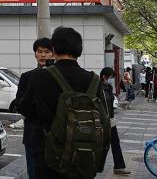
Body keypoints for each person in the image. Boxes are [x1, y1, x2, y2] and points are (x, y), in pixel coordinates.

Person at [20, 27, 109, 178]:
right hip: (83, 155)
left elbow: (25, 109)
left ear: (53, 49)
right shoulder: (93, 79)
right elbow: (104, 116)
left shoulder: (39, 77)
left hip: (47, 155)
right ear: (79, 50)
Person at [16, 37, 53, 179]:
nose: (43, 55)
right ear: (35, 54)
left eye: (47, 52)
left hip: (55, 136)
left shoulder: (59, 77)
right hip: (32, 134)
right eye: (39, 51)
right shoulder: (27, 77)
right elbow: (20, 106)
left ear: (53, 54)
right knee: (34, 173)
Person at [100, 67, 130, 175]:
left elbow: (111, 102)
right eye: (110, 77)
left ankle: (119, 166)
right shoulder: (97, 88)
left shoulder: (108, 87)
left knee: (115, 143)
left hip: (111, 120)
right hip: (101, 121)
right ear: (104, 76)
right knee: (100, 145)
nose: (111, 79)